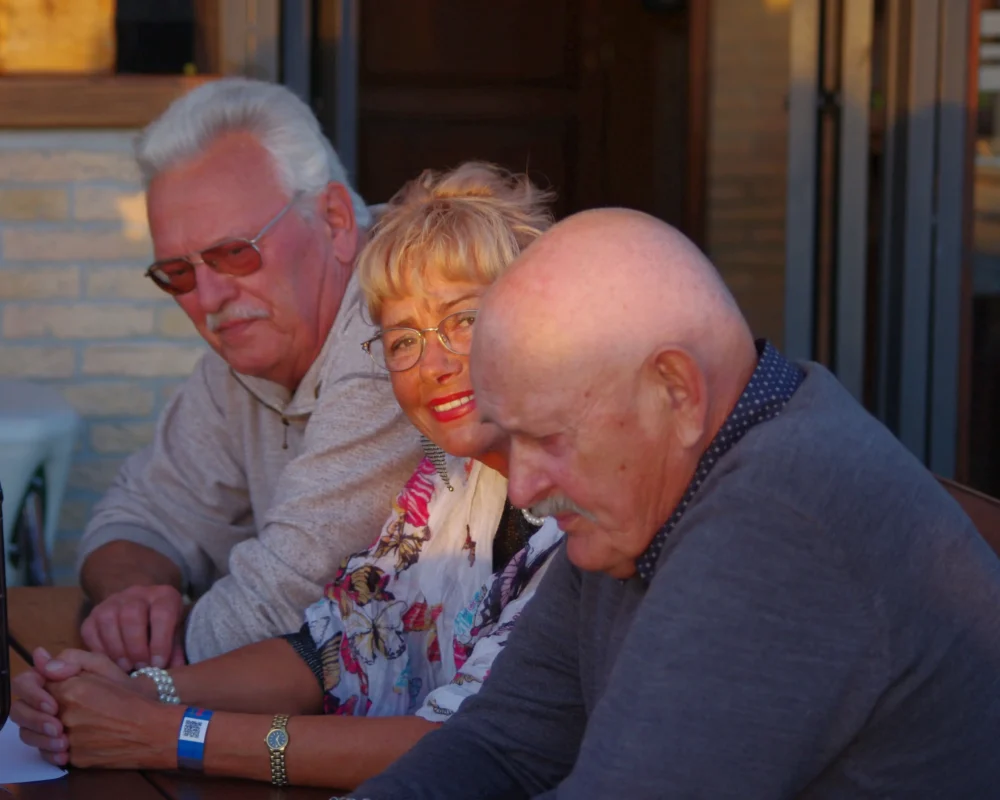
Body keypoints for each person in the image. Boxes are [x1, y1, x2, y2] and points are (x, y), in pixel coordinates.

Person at [352, 208, 1000, 799]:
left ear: (677, 391)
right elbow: (499, 744)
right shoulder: (638, 505)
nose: (522, 488)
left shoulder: (780, 520)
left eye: (548, 438)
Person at [12, 162, 564, 791]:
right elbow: (328, 648)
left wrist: (166, 734)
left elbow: (464, 746)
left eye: (463, 320)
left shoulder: (587, 515)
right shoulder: (448, 482)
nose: (432, 362)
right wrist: (140, 690)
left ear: (534, 318)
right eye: (402, 340)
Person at [75, 77, 423, 669]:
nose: (208, 296)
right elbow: (134, 515)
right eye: (176, 275)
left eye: (234, 253)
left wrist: (135, 677)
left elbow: (289, 597)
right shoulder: (244, 356)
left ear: (336, 221)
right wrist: (133, 601)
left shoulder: (403, 324)